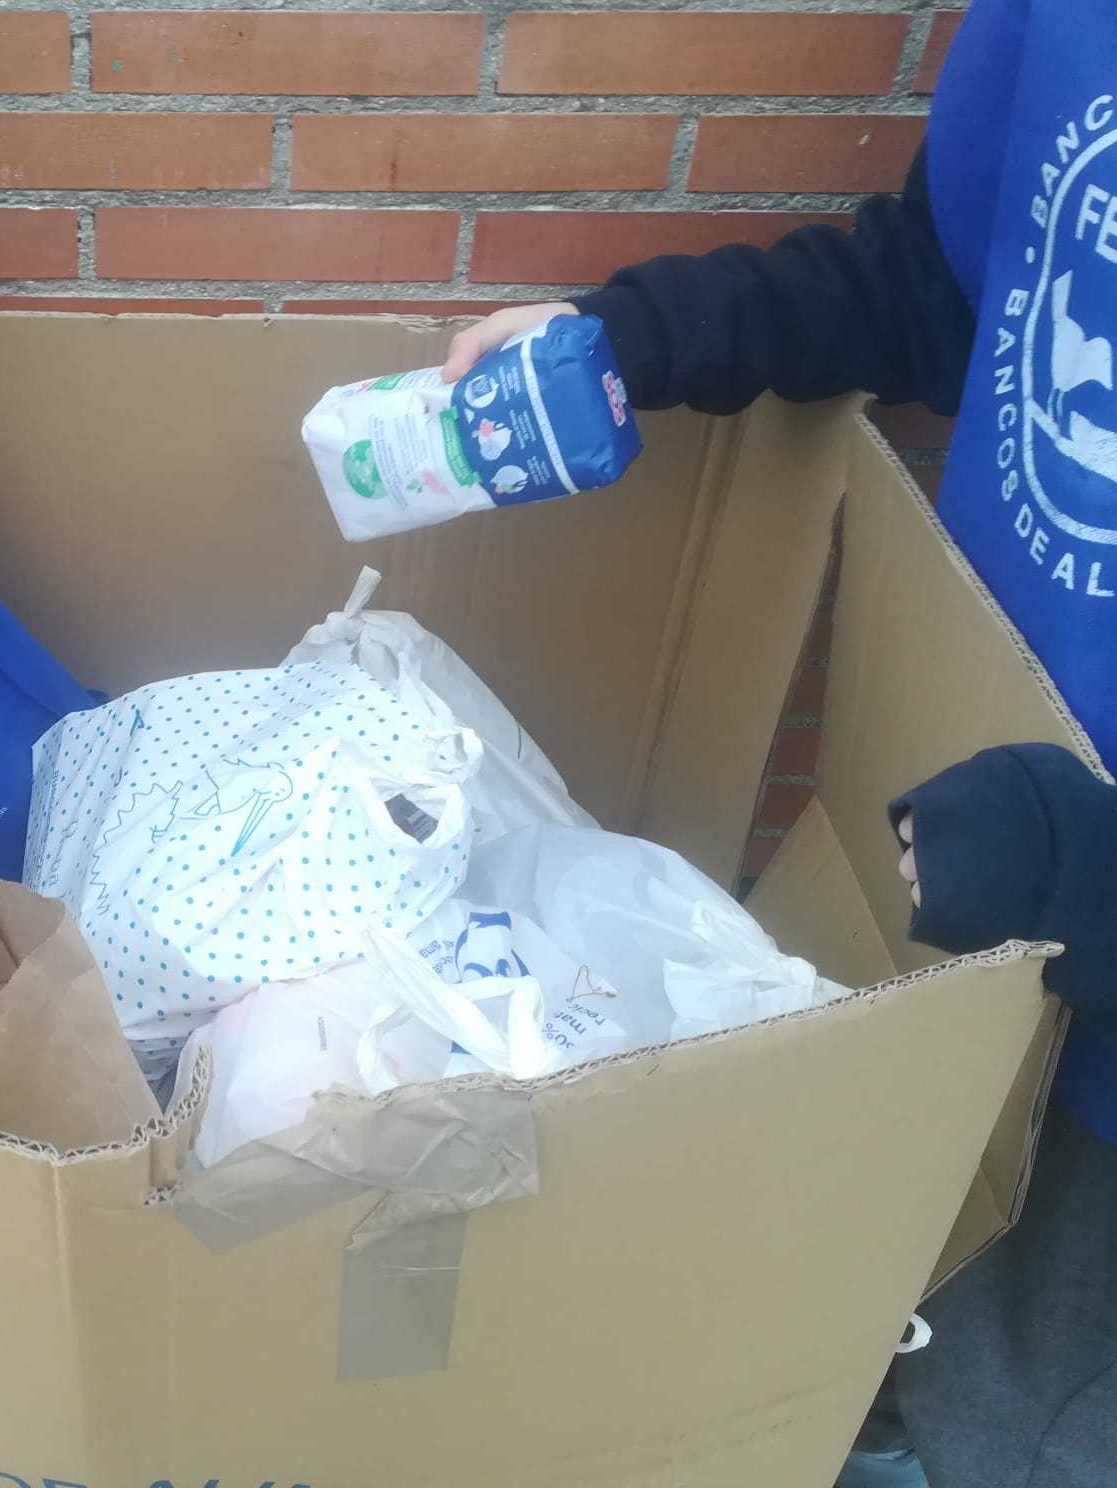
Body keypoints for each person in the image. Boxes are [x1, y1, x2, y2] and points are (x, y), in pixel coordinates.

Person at [446, 2, 1117, 1485]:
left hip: (1084, 1029)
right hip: (977, 899)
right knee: (872, 1338)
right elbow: (933, 287)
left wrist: (1089, 867)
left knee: (1021, 1423)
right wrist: (634, 340)